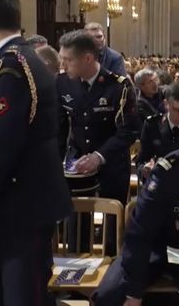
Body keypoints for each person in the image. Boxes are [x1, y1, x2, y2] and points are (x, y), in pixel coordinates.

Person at [0, 0, 72, 306]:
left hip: (16, 206)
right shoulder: (26, 59)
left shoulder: (11, 67)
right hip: (27, 201)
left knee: (17, 296)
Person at [92, 101, 179, 306]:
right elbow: (140, 234)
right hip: (154, 248)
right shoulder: (169, 172)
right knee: (109, 295)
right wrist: (134, 292)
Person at [57, 29, 139, 255]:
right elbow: (59, 128)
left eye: (68, 60)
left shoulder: (119, 86)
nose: (63, 65)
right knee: (76, 225)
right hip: (77, 166)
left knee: (112, 230)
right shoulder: (63, 83)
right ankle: (74, 284)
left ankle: (110, 275)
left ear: (87, 58)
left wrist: (98, 157)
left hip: (111, 163)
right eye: (61, 59)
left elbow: (129, 131)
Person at [136, 82, 179, 180]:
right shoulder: (152, 125)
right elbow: (141, 161)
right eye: (176, 110)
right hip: (159, 182)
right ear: (166, 104)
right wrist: (145, 169)